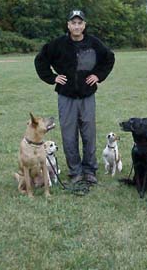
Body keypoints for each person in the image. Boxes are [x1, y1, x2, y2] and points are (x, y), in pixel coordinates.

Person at [34, 10, 115, 184]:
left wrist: (98, 76)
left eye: (80, 23)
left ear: (84, 25)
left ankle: (89, 169)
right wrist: (52, 77)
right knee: (69, 135)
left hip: (87, 96)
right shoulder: (58, 45)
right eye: (73, 23)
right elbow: (40, 60)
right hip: (66, 96)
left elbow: (109, 58)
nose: (77, 26)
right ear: (68, 25)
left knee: (88, 133)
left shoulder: (94, 43)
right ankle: (75, 171)